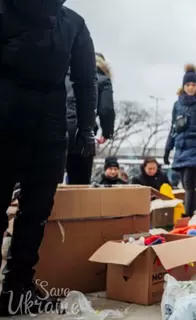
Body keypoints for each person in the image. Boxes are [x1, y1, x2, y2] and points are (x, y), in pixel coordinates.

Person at [0, 0, 97, 315]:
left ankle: (18, 288)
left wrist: (85, 130)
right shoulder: (73, 21)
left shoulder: (71, 22)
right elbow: (85, 81)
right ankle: (17, 288)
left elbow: (85, 79)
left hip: (23, 118)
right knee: (35, 212)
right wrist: (85, 129)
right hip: (45, 123)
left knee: (33, 210)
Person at [164, 64, 196, 217]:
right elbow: (173, 127)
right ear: (183, 86)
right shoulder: (177, 104)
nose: (190, 88)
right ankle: (192, 211)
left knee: (190, 183)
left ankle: (188, 215)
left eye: (193, 85)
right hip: (181, 147)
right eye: (188, 85)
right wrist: (167, 148)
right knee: (185, 184)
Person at [65, 52, 115, 184]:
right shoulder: (103, 80)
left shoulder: (63, 75)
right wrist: (107, 132)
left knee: (48, 186)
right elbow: (106, 109)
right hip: (82, 135)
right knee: (79, 186)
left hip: (54, 131)